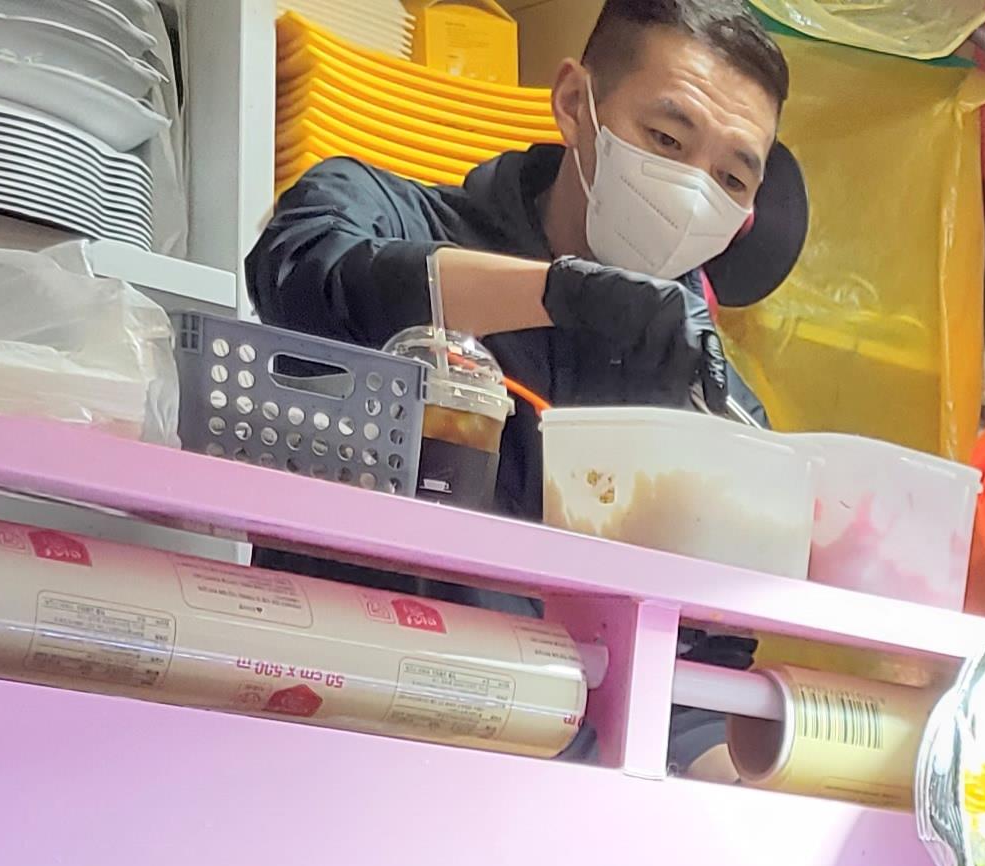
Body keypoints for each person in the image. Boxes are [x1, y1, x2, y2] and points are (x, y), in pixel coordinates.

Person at [245, 0, 799, 513]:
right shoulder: (382, 209)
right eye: (666, 140)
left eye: (731, 177)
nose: (692, 193)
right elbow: (297, 273)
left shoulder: (699, 384)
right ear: (575, 103)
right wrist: (565, 294)